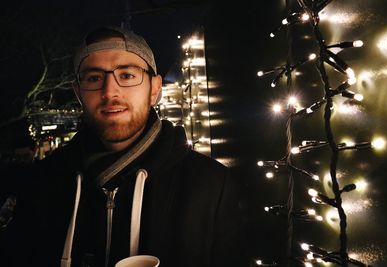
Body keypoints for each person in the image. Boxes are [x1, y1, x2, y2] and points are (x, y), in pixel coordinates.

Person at [0, 26, 245, 267]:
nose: (110, 91)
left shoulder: (209, 184)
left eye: (127, 75)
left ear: (155, 89)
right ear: (78, 92)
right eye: (94, 78)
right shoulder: (42, 182)